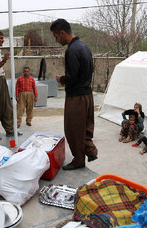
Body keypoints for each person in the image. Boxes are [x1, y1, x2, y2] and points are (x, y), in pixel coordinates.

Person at [50, 18, 98, 170]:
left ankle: (78, 160)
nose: (57, 40)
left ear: (62, 33)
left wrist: (61, 79)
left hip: (76, 97)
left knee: (73, 130)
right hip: (87, 95)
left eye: (56, 37)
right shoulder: (84, 46)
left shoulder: (71, 50)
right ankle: (90, 151)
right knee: (85, 127)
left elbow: (71, 77)